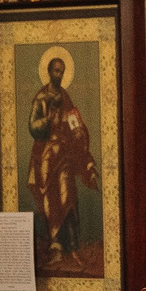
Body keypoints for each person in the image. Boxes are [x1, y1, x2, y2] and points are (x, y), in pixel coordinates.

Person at [27, 52, 101, 273]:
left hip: (65, 155)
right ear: (49, 72)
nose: (59, 75)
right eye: (56, 71)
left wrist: (78, 131)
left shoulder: (65, 97)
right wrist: (47, 120)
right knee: (50, 198)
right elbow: (33, 126)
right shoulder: (41, 98)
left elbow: (73, 121)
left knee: (68, 195)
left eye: (62, 71)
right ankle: (55, 246)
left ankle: (71, 246)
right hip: (47, 155)